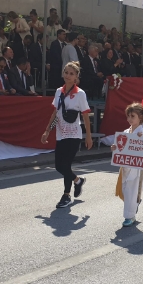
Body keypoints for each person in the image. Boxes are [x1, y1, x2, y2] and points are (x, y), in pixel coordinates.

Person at [41, 62, 93, 209]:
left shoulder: (80, 94)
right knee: (58, 166)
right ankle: (77, 180)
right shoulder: (59, 91)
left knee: (66, 165)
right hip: (61, 133)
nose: (68, 75)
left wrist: (88, 136)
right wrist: (47, 130)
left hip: (74, 134)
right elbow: (55, 113)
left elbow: (86, 116)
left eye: (71, 73)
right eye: (66, 72)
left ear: (76, 77)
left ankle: (66, 195)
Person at [112, 103, 143, 227]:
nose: (130, 119)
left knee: (130, 192)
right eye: (128, 116)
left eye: (133, 116)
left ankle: (130, 216)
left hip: (137, 170)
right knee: (125, 191)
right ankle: (135, 204)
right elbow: (121, 147)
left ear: (141, 117)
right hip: (125, 167)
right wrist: (115, 148)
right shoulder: (126, 131)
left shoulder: (142, 132)